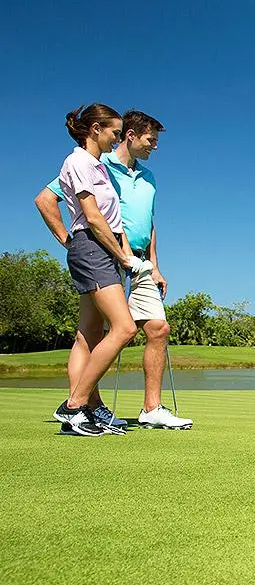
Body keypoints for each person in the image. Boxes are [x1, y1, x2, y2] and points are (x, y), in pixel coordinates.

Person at [36, 109, 192, 430]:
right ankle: (78, 405)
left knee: (156, 329)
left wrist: (155, 265)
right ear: (130, 136)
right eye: (151, 140)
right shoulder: (96, 164)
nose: (155, 147)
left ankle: (149, 408)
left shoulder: (147, 177)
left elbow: (148, 223)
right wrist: (69, 240)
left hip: (138, 261)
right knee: (100, 332)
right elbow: (48, 200)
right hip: (107, 253)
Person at [47, 103, 141, 436]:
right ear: (95, 130)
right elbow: (93, 217)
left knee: (88, 335)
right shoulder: (78, 161)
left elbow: (112, 220)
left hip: (100, 250)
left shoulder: (97, 166)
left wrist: (121, 253)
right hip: (93, 248)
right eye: (115, 132)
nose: (117, 137)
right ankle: (75, 405)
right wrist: (120, 255)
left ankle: (87, 410)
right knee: (124, 328)